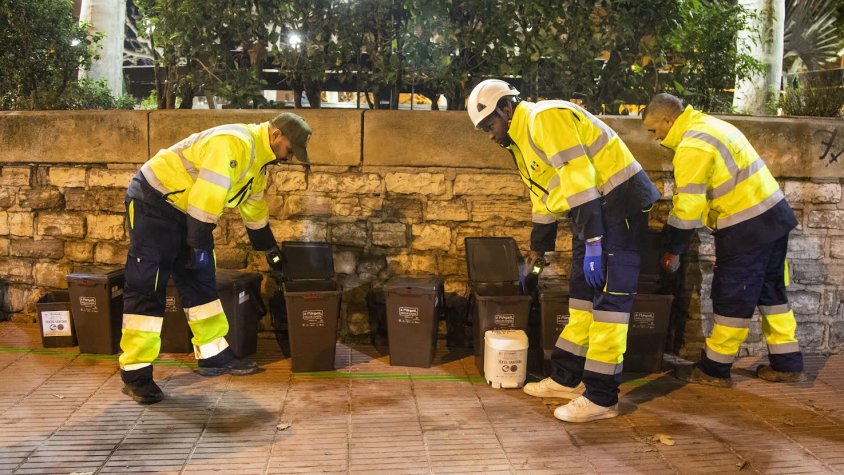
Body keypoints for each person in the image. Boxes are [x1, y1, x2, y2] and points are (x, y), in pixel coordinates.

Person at [467, 80, 660, 422]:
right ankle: (566, 379)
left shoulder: (545, 118)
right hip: (593, 213)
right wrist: (540, 251)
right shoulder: (520, 143)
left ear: (506, 109)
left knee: (609, 304)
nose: (489, 135)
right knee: (582, 299)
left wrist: (595, 241)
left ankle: (602, 398)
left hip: (619, 206)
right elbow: (543, 198)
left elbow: (579, 177)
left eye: (489, 125)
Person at [119, 112, 312, 404]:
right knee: (147, 286)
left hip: (189, 213)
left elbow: (254, 207)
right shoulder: (233, 144)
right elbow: (206, 195)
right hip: (154, 203)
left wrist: (269, 250)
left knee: (201, 281)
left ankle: (214, 356)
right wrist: (197, 243)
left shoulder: (258, 163)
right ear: (276, 135)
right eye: (289, 149)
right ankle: (136, 374)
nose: (289, 157)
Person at [641, 93, 804, 387]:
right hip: (773, 216)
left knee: (733, 293)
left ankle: (714, 369)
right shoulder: (712, 125)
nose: (655, 137)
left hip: (746, 225)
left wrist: (672, 247)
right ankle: (787, 364)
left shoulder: (692, 145)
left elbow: (688, 208)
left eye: (654, 130)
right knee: (771, 292)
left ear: (667, 119)